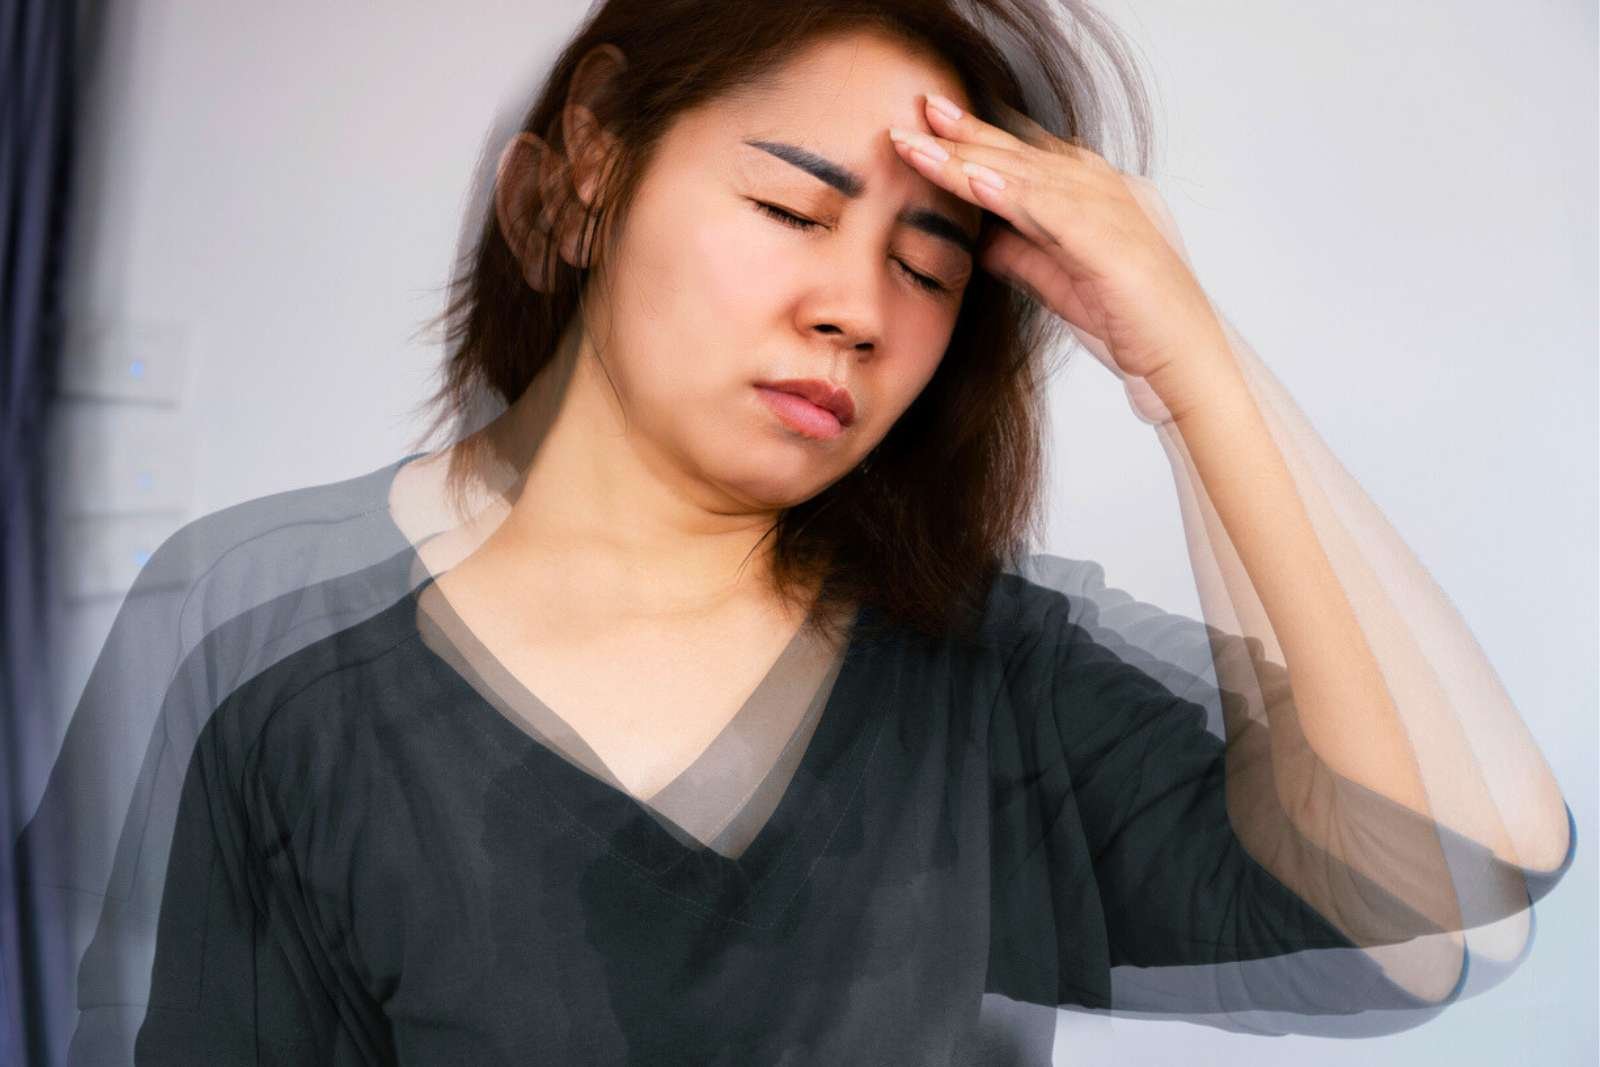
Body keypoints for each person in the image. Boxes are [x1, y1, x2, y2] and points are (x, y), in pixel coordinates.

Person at [11, 1, 1576, 1064]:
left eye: (929, 266)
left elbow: (1454, 893)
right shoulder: (270, 654)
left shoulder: (993, 680)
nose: (856, 309)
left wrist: (1192, 365)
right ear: (593, 167)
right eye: (791, 210)